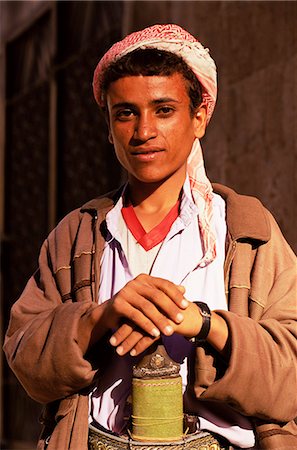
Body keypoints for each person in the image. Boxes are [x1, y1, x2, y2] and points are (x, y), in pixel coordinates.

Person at [3, 24, 297, 450]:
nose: (143, 132)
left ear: (199, 117)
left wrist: (203, 322)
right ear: (108, 127)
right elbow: (25, 358)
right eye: (125, 113)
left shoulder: (246, 231)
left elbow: (290, 374)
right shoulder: (78, 233)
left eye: (163, 110)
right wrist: (100, 319)